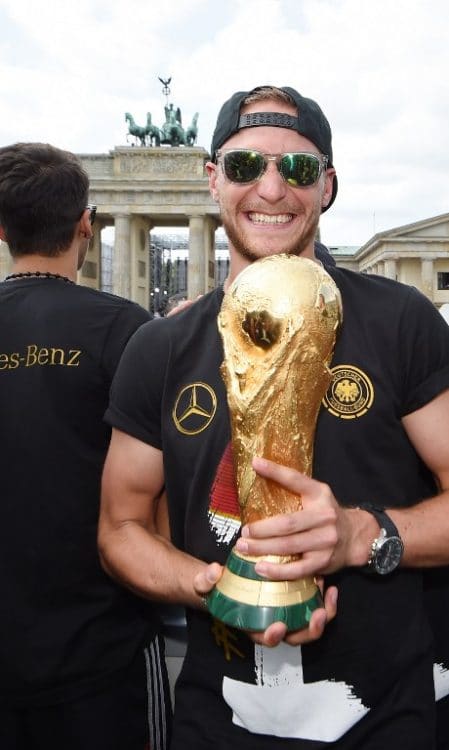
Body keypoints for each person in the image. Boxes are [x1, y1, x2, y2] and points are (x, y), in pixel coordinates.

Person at [98, 86, 449, 749]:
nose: (271, 188)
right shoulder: (160, 348)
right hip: (217, 719)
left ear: (327, 185)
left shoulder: (400, 320)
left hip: (383, 717)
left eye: (296, 168)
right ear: (211, 180)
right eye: (242, 166)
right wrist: (205, 584)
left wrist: (363, 535)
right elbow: (120, 523)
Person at [0, 143, 171, 750]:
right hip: (104, 650)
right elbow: (163, 487)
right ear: (85, 223)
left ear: (3, 227)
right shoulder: (128, 332)